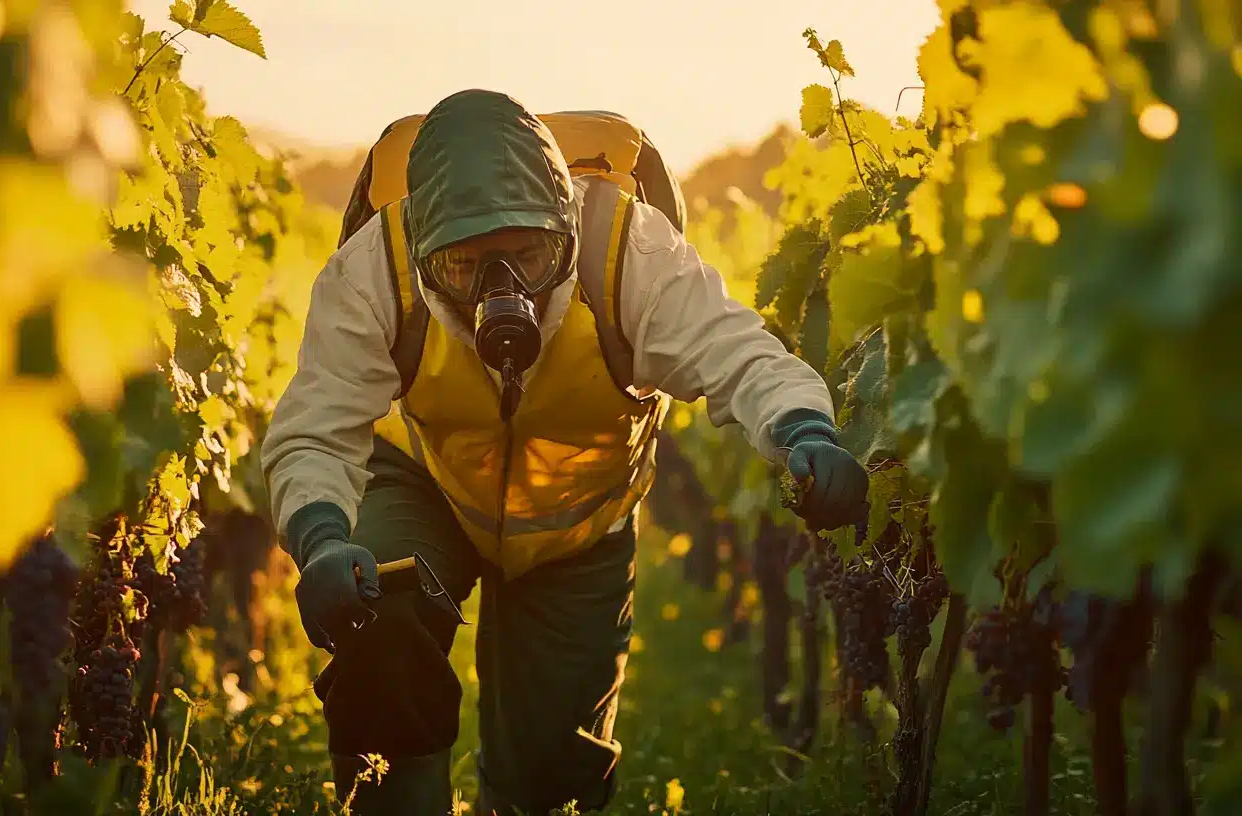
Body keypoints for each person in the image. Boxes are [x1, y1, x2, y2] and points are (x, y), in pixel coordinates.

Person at [260, 88, 868, 815]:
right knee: (379, 620)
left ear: (566, 228)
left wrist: (804, 429)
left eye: (527, 256)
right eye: (464, 267)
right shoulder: (375, 269)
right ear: (422, 247)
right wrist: (323, 537)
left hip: (580, 527)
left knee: (549, 777)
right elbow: (314, 424)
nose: (500, 289)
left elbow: (734, 353)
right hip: (425, 481)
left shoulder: (629, 251)